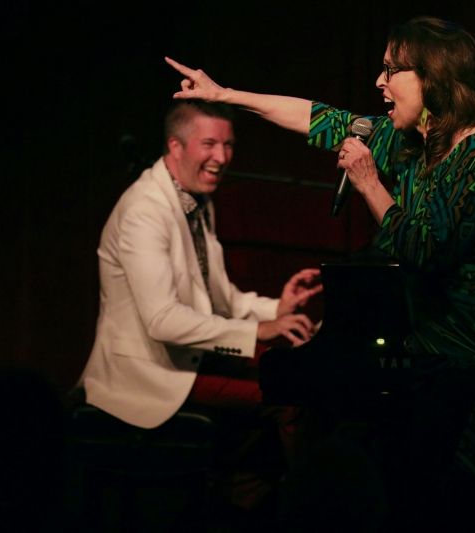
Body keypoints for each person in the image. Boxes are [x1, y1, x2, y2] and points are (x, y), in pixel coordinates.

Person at [166, 15, 475, 531]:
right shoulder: (413, 143)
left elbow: (425, 248)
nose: (379, 82)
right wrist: (226, 94)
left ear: (432, 76)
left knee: (463, 502)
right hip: (444, 359)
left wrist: (368, 182)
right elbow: (318, 118)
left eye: (392, 70)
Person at [77, 100, 322, 518]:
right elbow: (162, 321)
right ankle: (306, 511)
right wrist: (256, 332)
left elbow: (222, 300)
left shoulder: (196, 201)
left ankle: (243, 501)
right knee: (287, 397)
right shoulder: (144, 211)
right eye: (209, 144)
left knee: (291, 374)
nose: (222, 157)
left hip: (189, 359)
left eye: (228, 145)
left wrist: (277, 310)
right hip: (149, 373)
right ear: (176, 146)